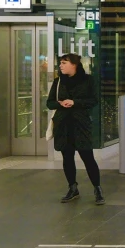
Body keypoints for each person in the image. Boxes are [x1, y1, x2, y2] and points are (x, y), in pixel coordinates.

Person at [47, 53, 104, 205]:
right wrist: (60, 104)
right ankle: (73, 188)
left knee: (88, 157)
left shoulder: (88, 80)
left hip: (81, 124)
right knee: (67, 157)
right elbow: (49, 103)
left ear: (74, 64)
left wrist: (74, 102)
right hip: (63, 124)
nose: (61, 65)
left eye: (64, 62)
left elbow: (93, 100)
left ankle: (97, 189)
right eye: (60, 63)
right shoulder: (58, 81)